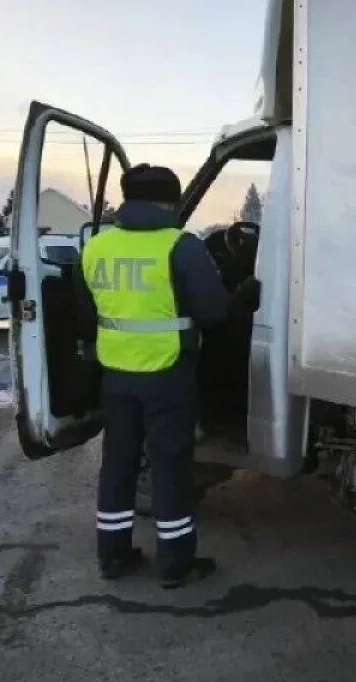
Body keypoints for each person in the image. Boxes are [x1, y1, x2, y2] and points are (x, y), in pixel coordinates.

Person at [79, 164, 259, 585]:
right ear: (169, 203)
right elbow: (214, 313)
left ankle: (113, 557)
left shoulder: (96, 247)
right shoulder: (181, 246)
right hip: (167, 374)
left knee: (118, 465)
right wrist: (245, 295)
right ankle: (176, 564)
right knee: (170, 466)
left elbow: (85, 316)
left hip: (115, 375)